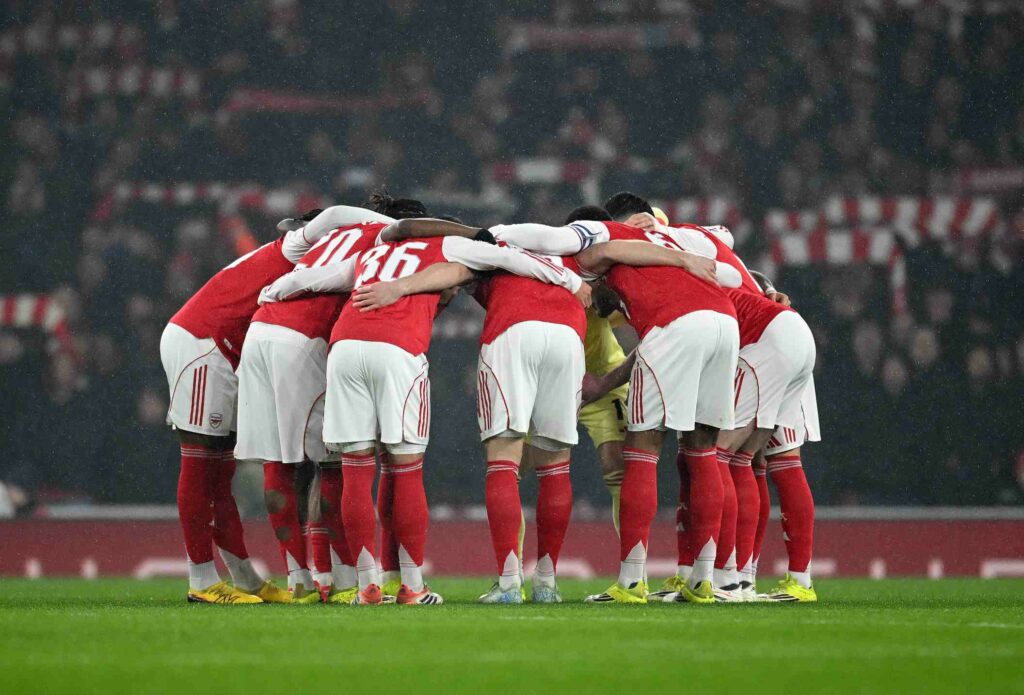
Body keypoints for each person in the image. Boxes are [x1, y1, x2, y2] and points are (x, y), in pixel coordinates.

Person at [357, 214, 726, 604]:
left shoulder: (493, 249)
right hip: (567, 340)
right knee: (556, 465)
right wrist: (682, 258)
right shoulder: (572, 255)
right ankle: (547, 581)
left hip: (512, 332)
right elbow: (614, 251)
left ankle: (509, 582)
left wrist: (399, 288)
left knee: (504, 459)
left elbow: (450, 271)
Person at [258, 222, 589, 605]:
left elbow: (313, 279)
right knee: (409, 466)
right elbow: (490, 261)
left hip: (345, 347)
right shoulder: (454, 245)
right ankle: (426, 585)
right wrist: (569, 280)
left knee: (355, 466)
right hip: (404, 348)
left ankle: (369, 584)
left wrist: (271, 292)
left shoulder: (371, 254)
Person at [160, 204, 373, 604]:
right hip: (205, 343)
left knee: (220, 474)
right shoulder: (295, 247)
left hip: (227, 350)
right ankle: (201, 580)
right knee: (199, 465)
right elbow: (331, 217)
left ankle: (245, 580)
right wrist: (389, 224)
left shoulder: (303, 260)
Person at [233, 193, 419, 603]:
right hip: (303, 337)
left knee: (278, 458)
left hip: (261, 331)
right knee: (333, 460)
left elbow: (303, 247)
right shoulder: (384, 242)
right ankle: (339, 578)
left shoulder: (332, 235)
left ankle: (300, 578)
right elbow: (339, 277)